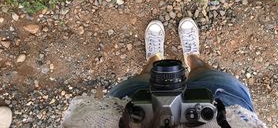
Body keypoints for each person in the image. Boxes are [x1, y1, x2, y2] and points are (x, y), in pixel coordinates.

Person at [63, 18, 267, 128]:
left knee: (141, 81)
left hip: (130, 115)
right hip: (216, 113)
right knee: (209, 77)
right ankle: (192, 59)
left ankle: (155, 59)